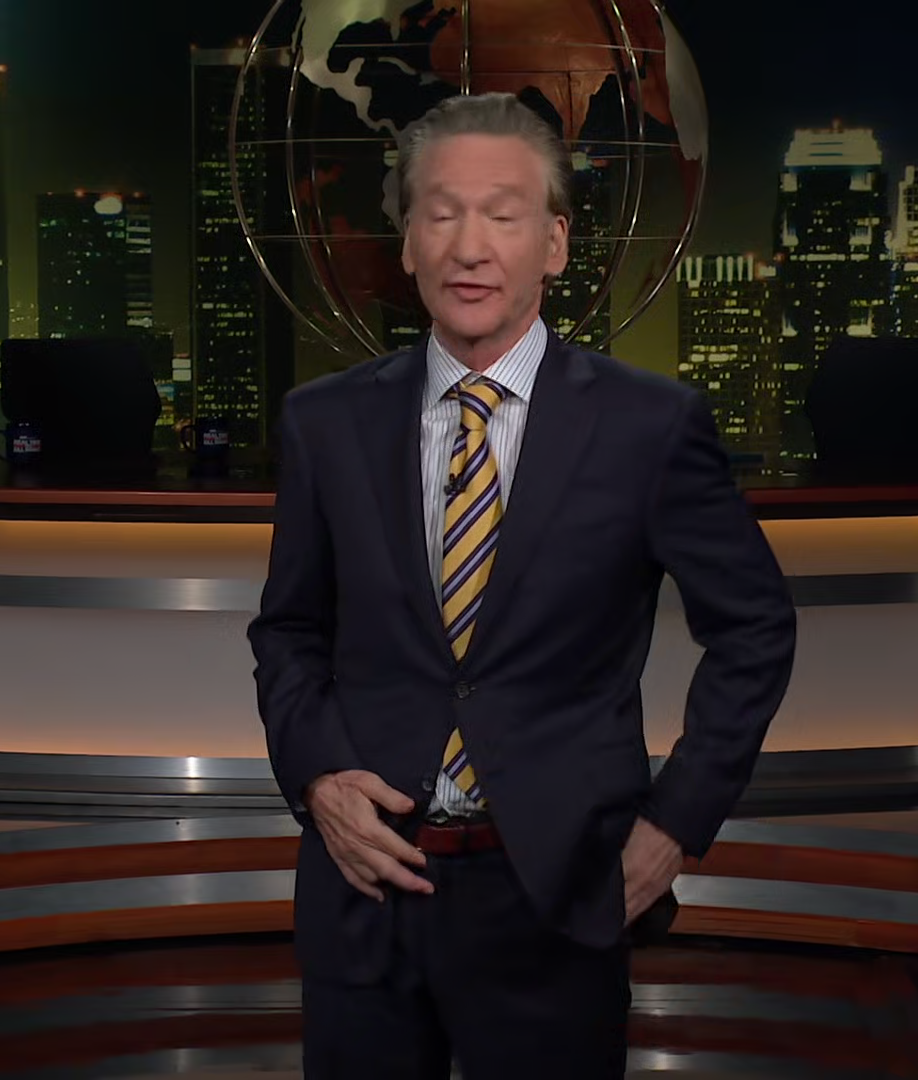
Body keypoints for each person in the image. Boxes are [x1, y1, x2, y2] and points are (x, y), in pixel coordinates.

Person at [248, 91, 797, 1079]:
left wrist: (674, 827)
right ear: (407, 241)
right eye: (441, 214)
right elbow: (288, 631)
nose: (470, 247)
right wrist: (319, 780)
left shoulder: (648, 426)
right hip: (366, 888)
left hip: (559, 890)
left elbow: (755, 627)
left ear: (553, 243)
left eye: (502, 216)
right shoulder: (325, 423)